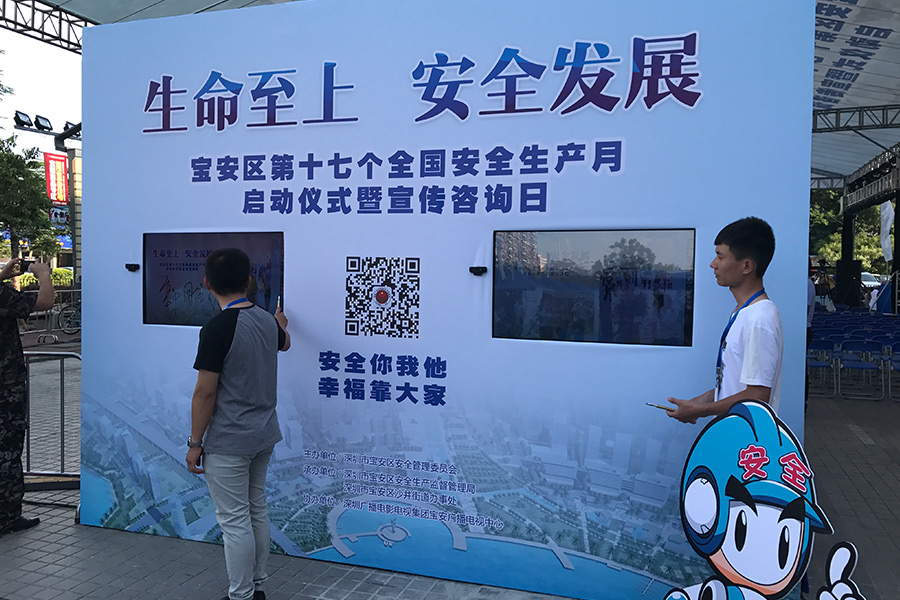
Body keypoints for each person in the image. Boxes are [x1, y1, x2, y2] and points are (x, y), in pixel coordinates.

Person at [185, 248, 290, 600]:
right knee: (256, 509)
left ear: (206, 284)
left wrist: (194, 443)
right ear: (248, 281)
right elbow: (286, 343)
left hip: (229, 441)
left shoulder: (217, 328)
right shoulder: (266, 321)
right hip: (264, 435)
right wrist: (280, 324)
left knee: (234, 520)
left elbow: (204, 393)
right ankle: (256, 586)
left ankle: (241, 594)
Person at [667, 217, 782, 423]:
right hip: (731, 432)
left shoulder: (759, 319)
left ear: (746, 266)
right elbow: (734, 386)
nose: (713, 264)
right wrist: (699, 403)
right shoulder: (743, 312)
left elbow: (757, 396)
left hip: (746, 437)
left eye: (720, 257)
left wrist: (701, 410)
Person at [0, 258, 54, 535]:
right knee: (7, 451)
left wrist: (2, 275)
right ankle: (7, 517)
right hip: (5, 386)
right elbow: (44, 302)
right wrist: (42, 273)